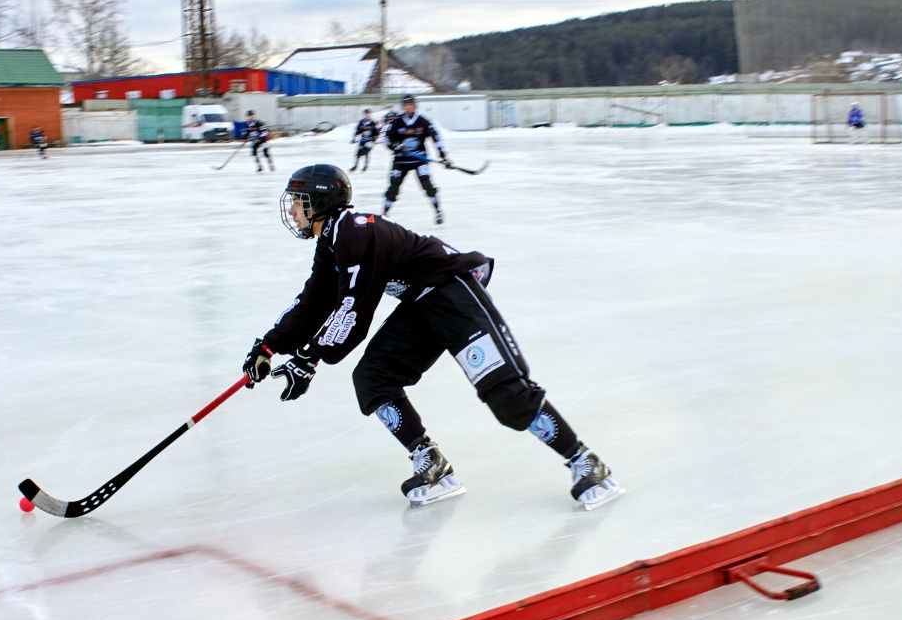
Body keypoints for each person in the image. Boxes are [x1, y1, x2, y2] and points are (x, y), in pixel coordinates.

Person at [241, 164, 623, 510]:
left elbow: (355, 308)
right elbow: (313, 301)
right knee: (374, 378)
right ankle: (433, 465)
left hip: (453, 292)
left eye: (298, 201)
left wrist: (309, 358)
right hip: (421, 304)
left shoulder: (356, 233)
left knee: (506, 392)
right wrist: (269, 345)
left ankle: (587, 462)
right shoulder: (333, 243)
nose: (292, 210)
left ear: (322, 202)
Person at [383, 93, 450, 224]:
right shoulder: (396, 122)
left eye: (411, 105)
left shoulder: (423, 121)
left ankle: (438, 212)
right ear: (403, 107)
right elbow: (386, 139)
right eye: (406, 105)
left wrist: (443, 155)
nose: (409, 108)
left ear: (415, 106)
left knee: (427, 184)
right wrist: (394, 146)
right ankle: (385, 214)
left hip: (419, 160)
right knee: (393, 187)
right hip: (401, 160)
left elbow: (436, 137)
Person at [350, 108, 379, 172]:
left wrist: (375, 138)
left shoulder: (373, 122)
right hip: (362, 140)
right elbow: (357, 131)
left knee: (366, 152)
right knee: (358, 153)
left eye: (368, 114)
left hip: (369, 140)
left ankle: (365, 166)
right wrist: (354, 138)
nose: (367, 115)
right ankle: (355, 166)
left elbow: (376, 132)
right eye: (365, 114)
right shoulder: (361, 122)